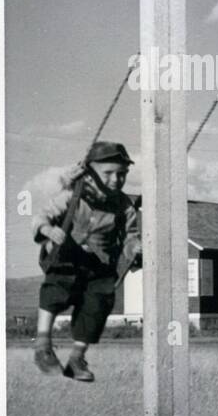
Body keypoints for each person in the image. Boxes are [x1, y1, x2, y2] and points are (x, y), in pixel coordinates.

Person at [31, 141, 141, 381]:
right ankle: (43, 346)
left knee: (98, 303)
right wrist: (49, 230)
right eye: (108, 173)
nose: (116, 180)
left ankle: (76, 359)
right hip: (66, 256)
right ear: (91, 173)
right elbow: (42, 216)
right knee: (58, 286)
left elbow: (131, 236)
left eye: (121, 174)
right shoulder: (72, 195)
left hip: (99, 263)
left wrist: (135, 250)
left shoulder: (124, 206)